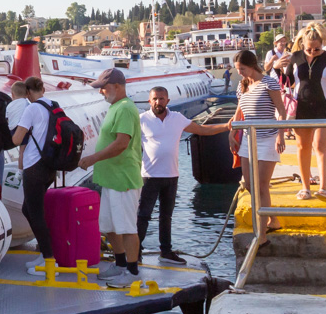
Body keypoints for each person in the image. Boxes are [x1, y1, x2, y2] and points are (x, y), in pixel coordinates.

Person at [135, 85, 233, 264]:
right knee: (143, 215)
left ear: (167, 100)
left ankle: (166, 252)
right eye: (155, 99)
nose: (158, 102)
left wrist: (227, 126)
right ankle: (135, 252)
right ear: (149, 101)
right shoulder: (141, 120)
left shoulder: (177, 118)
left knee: (166, 216)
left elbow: (202, 130)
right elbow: (128, 143)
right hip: (149, 176)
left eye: (161, 98)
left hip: (171, 176)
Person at [78, 68, 145, 284]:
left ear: (117, 86)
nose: (101, 92)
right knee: (109, 226)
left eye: (103, 88)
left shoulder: (125, 108)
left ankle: (132, 273)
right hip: (110, 179)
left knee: (127, 228)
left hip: (122, 179)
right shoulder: (116, 107)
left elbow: (121, 144)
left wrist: (93, 158)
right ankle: (121, 264)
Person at [231, 49, 285, 234]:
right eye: (238, 69)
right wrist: (233, 131)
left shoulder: (269, 83)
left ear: (252, 65)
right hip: (248, 138)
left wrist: (281, 135)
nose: (240, 73)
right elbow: (239, 111)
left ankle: (261, 234)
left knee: (262, 185)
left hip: (268, 137)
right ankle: (272, 218)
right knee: (248, 184)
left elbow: (281, 110)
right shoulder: (242, 85)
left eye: (242, 69)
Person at [288, 24, 326, 199]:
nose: (313, 52)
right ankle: (305, 187)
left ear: (322, 45)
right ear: (302, 45)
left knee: (321, 145)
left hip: (323, 106)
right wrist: (275, 68)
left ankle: (324, 188)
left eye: (317, 49)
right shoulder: (295, 57)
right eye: (309, 49)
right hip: (301, 106)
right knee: (303, 146)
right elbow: (286, 81)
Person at [10, 76, 58, 273]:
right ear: (43, 89)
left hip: (34, 166)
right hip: (49, 166)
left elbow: (16, 139)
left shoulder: (31, 109)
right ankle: (45, 254)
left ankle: (50, 261)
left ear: (28, 92)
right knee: (28, 209)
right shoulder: (53, 105)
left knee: (35, 213)